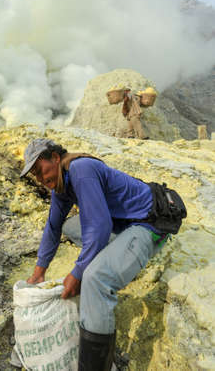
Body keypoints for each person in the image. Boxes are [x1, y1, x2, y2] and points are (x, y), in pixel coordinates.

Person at [20, 138, 167, 371]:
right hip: (121, 225)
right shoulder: (61, 181)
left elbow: (99, 227)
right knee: (70, 227)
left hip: (149, 224)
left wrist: (78, 271)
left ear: (55, 158)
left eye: (40, 170)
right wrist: (39, 272)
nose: (40, 178)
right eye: (35, 176)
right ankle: (119, 252)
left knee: (94, 278)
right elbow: (53, 226)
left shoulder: (81, 169)